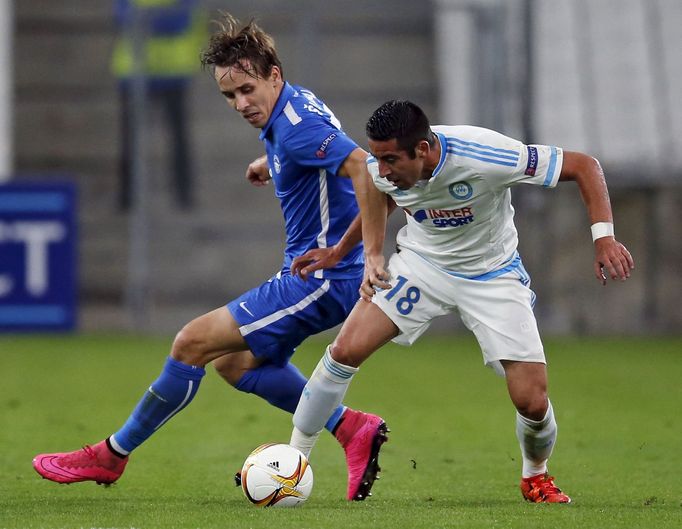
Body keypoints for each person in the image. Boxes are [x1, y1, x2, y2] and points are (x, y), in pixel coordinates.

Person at [32, 14, 389, 502]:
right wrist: (274, 162)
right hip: (316, 273)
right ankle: (351, 428)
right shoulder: (292, 107)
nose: (240, 104)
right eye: (229, 96)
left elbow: (366, 170)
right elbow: (312, 145)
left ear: (274, 75)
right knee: (235, 364)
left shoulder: (298, 129)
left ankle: (111, 455)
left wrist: (367, 254)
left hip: (324, 279)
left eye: (246, 90)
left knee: (191, 342)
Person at [289, 100, 635, 503]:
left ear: (422, 150)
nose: (380, 169)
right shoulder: (379, 168)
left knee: (532, 400)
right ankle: (295, 461)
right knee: (345, 349)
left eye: (390, 160)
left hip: (493, 275)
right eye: (377, 158)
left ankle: (535, 475)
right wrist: (346, 252)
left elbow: (583, 165)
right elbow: (379, 196)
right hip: (422, 266)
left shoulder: (487, 154)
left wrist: (604, 237)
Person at [112, 0, 207, 210]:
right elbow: (122, 16)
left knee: (178, 136)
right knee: (130, 137)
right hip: (135, 69)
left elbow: (182, 19)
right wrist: (161, 18)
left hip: (172, 68)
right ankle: (127, 197)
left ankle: (184, 195)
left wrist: (146, 19)